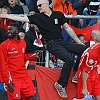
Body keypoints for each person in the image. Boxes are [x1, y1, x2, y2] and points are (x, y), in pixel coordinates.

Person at [0, 0, 87, 98]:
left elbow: (68, 29)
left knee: (85, 49)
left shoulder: (58, 14)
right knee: (69, 59)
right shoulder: (38, 17)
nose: (38, 7)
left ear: (46, 5)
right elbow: (22, 18)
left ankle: (76, 73)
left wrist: (78, 41)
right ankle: (60, 84)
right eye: (37, 6)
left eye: (40, 5)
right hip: (51, 43)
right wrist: (7, 16)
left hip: (61, 42)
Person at [1, 23, 37, 100]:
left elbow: (21, 56)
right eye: (8, 30)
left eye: (11, 30)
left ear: (17, 31)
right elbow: (3, 64)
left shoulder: (23, 43)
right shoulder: (4, 45)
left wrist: (34, 56)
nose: (9, 32)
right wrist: (8, 81)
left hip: (24, 76)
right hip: (13, 78)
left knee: (32, 97)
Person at [73, 30, 100, 100]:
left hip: (94, 73)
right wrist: (85, 88)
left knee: (98, 94)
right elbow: (84, 71)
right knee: (87, 96)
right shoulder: (93, 53)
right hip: (86, 74)